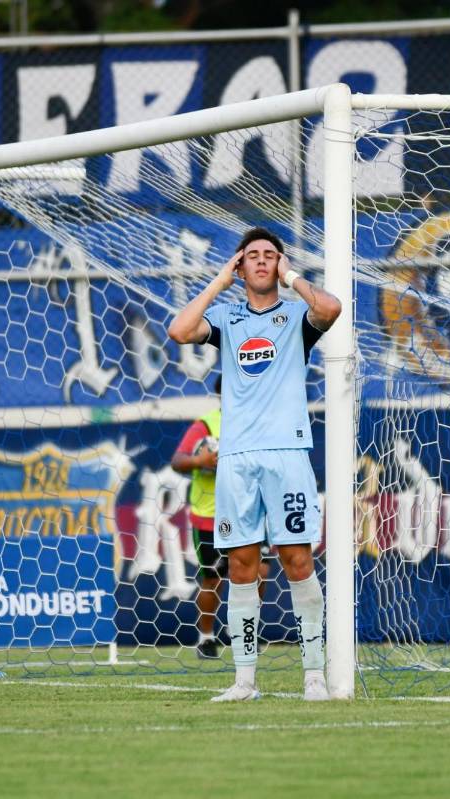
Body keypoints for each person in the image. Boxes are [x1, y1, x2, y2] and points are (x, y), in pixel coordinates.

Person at [168, 227, 341, 702]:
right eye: (254, 257)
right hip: (238, 460)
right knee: (241, 567)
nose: (263, 262)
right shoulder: (225, 318)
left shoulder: (295, 315)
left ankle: (314, 677)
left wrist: (293, 277)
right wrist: (219, 282)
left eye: (271, 256)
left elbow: (330, 309)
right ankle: (244, 681)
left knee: (296, 560)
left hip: (287, 454)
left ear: (280, 264)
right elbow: (180, 330)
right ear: (240, 266)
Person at [170, 376, 268, 660]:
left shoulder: (256, 422)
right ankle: (206, 636)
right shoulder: (206, 426)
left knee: (260, 572)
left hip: (248, 511)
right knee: (213, 579)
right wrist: (201, 461)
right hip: (210, 516)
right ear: (222, 394)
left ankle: (249, 631)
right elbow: (178, 461)